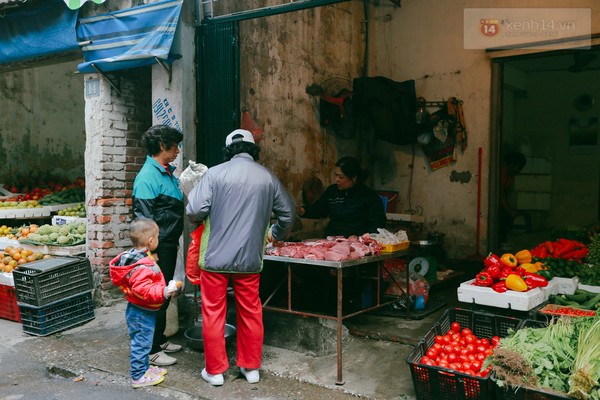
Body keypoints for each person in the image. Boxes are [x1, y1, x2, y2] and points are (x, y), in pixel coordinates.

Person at [186, 128, 295, 386]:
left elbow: (194, 210)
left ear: (228, 150)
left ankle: (214, 372)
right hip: (249, 260)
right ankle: (251, 368)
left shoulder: (214, 174)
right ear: (253, 149)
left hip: (214, 259)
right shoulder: (267, 177)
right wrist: (274, 233)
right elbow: (288, 214)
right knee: (251, 311)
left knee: (213, 313)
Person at [132, 125, 184, 366]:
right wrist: (150, 255)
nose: (177, 151)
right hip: (157, 248)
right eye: (174, 146)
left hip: (168, 243)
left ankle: (159, 338)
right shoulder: (147, 176)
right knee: (154, 297)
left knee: (164, 295)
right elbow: (142, 220)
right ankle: (150, 350)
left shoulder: (165, 172)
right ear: (162, 146)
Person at [109, 218, 181, 388]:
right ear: (151, 241)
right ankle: (138, 377)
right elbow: (143, 290)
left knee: (144, 342)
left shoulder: (139, 255)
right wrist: (164, 292)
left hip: (142, 309)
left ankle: (144, 369)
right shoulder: (142, 266)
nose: (158, 239)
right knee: (141, 344)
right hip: (141, 312)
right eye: (157, 237)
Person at [297, 156, 386, 237]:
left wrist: (364, 238)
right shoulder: (332, 191)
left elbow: (378, 224)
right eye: (335, 175)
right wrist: (302, 210)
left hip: (357, 242)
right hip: (332, 239)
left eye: (341, 177)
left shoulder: (369, 196)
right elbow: (318, 209)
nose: (336, 180)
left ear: (354, 178)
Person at [499, 151, 527, 244]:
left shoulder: (511, 174)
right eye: (517, 167)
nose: (518, 170)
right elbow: (500, 194)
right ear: (511, 164)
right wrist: (509, 211)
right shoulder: (503, 172)